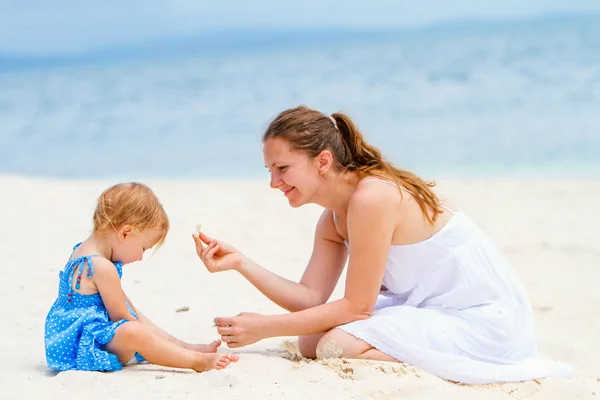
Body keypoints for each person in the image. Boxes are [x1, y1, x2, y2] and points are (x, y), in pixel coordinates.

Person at [192, 105, 573, 384]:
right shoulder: (334, 218)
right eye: (270, 171)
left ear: (322, 161)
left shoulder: (372, 197)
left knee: (331, 343)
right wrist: (241, 262)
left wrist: (266, 327)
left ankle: (436, 361)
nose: (274, 182)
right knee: (311, 340)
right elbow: (310, 297)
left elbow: (357, 308)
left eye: (283, 169)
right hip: (429, 307)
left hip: (481, 318)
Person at [45, 182, 239, 373]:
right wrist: (152, 341)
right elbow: (122, 319)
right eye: (143, 248)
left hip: (74, 340)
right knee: (135, 331)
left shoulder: (81, 251)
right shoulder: (103, 267)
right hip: (89, 347)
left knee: (135, 319)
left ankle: (182, 346)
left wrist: (168, 342)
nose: (140, 257)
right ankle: (195, 361)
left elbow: (128, 310)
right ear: (125, 233)